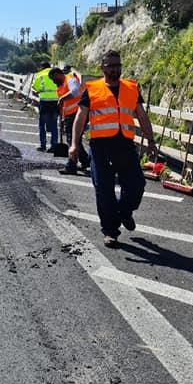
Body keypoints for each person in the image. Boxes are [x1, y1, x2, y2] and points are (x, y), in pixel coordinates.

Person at [69, 50, 157, 247]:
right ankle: (110, 231)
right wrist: (74, 144)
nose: (115, 69)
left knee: (137, 185)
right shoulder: (92, 89)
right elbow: (80, 117)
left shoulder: (131, 88)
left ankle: (125, 211)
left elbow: (142, 116)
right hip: (100, 147)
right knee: (104, 189)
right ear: (102, 67)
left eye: (118, 65)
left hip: (125, 145)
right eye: (110, 65)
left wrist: (151, 141)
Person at [53, 66, 88, 174]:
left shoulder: (70, 80)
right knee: (75, 140)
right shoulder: (60, 87)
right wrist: (63, 118)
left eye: (53, 78)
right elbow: (64, 106)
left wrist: (62, 98)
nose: (53, 81)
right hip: (70, 115)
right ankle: (86, 160)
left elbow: (75, 91)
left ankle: (71, 166)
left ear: (58, 74)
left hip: (78, 113)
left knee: (71, 140)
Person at [30, 61, 58, 151]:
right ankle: (54, 146)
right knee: (54, 124)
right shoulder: (56, 73)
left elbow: (35, 88)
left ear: (42, 67)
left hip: (45, 102)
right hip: (55, 102)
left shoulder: (39, 74)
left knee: (42, 124)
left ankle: (43, 145)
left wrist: (39, 91)